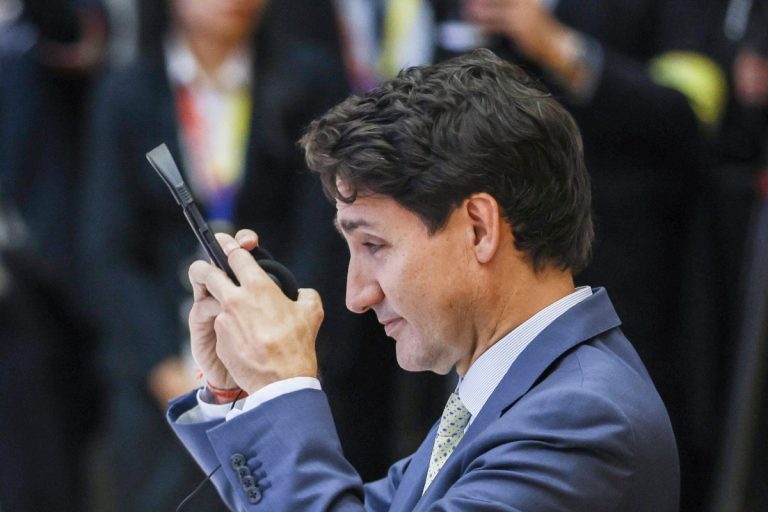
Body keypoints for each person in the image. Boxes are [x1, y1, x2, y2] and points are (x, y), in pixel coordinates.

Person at [167, 49, 679, 511]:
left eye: (374, 245)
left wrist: (282, 390)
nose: (356, 296)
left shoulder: (580, 420)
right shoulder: (517, 390)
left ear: (479, 228)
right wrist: (238, 393)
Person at [78, 0, 349, 509]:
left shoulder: (309, 80)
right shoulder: (128, 91)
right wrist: (160, 366)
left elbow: (327, 235)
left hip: (286, 353)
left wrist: (288, 346)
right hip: (158, 361)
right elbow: (106, 249)